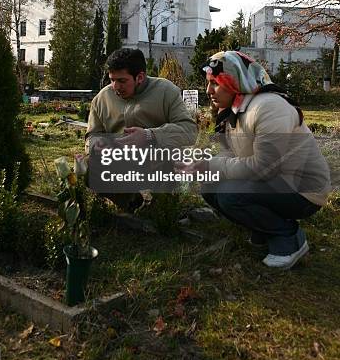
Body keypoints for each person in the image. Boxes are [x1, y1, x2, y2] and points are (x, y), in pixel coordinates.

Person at [192, 50, 331, 270]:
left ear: (235, 80)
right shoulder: (234, 109)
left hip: (303, 190)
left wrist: (213, 165)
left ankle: (289, 238)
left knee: (230, 194)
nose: (208, 91)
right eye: (208, 84)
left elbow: (264, 167)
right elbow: (233, 154)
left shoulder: (269, 107)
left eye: (215, 84)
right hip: (277, 182)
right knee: (210, 185)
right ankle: (263, 229)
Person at [85, 47, 198, 210]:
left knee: (163, 207)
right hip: (119, 161)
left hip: (158, 161)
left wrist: (150, 136)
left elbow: (189, 131)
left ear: (140, 77)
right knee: (90, 168)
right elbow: (92, 135)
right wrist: (97, 144)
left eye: (122, 81)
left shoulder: (166, 91)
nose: (115, 86)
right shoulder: (102, 98)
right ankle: (130, 201)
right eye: (112, 80)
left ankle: (162, 206)